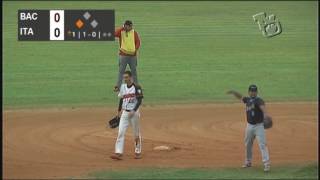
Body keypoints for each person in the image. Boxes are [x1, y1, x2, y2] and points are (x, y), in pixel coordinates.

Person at [227, 85, 271, 172]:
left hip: (259, 126)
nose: (253, 92)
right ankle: (248, 162)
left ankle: (266, 164)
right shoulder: (248, 100)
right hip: (249, 126)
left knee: (262, 145)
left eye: (254, 91)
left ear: (257, 92)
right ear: (249, 92)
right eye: (251, 91)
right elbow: (241, 97)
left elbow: (263, 108)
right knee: (248, 144)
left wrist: (265, 116)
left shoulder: (259, 100)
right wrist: (233, 92)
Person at [110, 70, 143, 160]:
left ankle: (137, 151)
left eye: (126, 77)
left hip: (134, 113)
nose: (125, 79)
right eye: (124, 77)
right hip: (125, 113)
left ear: (131, 77)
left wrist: (134, 110)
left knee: (136, 133)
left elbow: (139, 100)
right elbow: (121, 99)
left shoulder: (137, 87)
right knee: (120, 132)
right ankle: (118, 152)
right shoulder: (123, 87)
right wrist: (119, 111)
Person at [114, 20, 141, 92]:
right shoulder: (121, 32)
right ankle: (118, 87)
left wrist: (136, 49)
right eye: (130, 26)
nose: (131, 27)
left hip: (133, 56)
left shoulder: (134, 32)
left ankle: (136, 86)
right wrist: (122, 28)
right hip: (123, 55)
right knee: (121, 71)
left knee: (134, 71)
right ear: (126, 26)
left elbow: (138, 41)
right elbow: (115, 34)